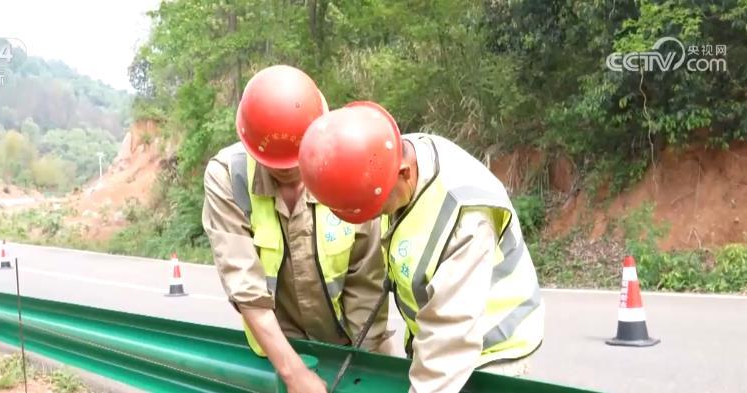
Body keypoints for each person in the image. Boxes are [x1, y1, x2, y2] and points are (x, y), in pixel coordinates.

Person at [297, 101, 545, 393]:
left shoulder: (465, 217)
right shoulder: (389, 154)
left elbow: (450, 340)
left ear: (404, 173)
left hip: (493, 349)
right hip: (440, 339)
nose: (375, 217)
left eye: (376, 209)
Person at [201, 66, 391, 393]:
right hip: (276, 353)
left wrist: (363, 371)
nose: (291, 173)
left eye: (298, 162)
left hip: (350, 346)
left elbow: (367, 283)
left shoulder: (350, 165)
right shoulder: (229, 178)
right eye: (278, 167)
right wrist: (293, 373)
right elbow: (243, 284)